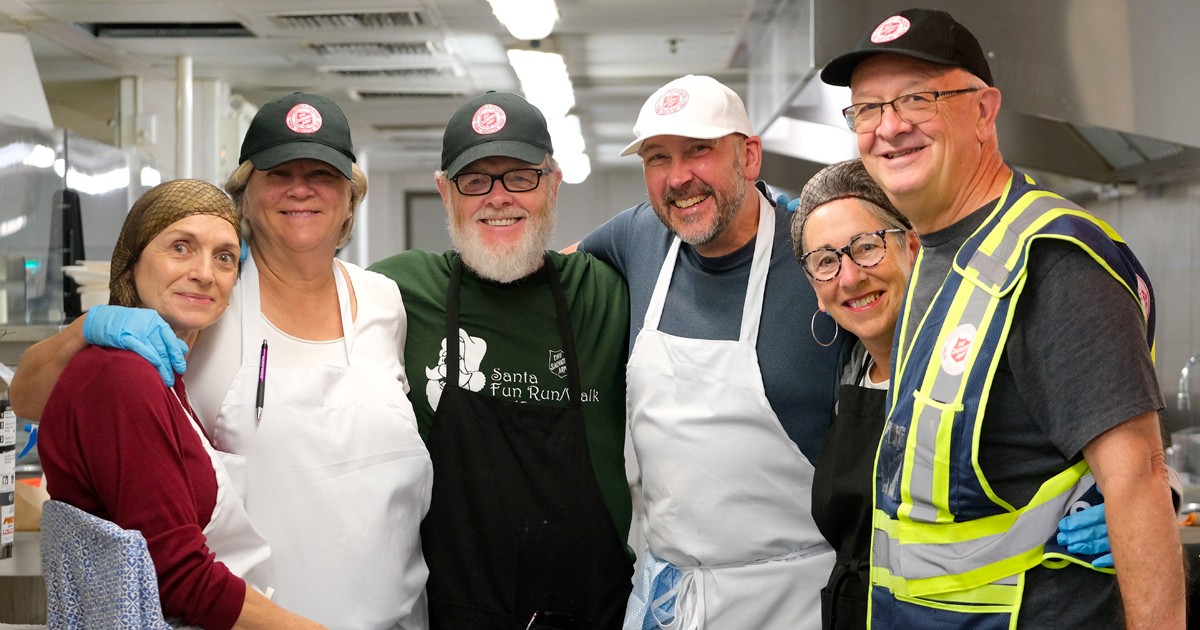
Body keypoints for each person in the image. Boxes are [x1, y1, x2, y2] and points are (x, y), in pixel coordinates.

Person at [13, 93, 433, 629]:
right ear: (246, 196)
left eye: (322, 174)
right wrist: (88, 325)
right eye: (279, 171)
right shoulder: (206, 304)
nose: (300, 188)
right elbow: (32, 398)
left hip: (401, 616)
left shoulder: (384, 302)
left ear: (350, 199)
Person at [821, 8, 1184, 628]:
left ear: (984, 111)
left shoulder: (1052, 261)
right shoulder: (933, 250)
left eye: (916, 98)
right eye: (868, 109)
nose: (889, 126)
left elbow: (1139, 480)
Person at [574, 74, 847, 629]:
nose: (678, 178)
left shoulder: (817, 254)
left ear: (748, 156)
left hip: (791, 600)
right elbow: (549, 276)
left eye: (698, 150)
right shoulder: (635, 237)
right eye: (656, 158)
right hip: (668, 596)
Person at [368, 91, 633, 629]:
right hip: (449, 612)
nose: (499, 198)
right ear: (445, 192)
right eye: (475, 181)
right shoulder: (395, 289)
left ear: (553, 184)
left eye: (520, 176)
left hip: (593, 611)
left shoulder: (607, 292)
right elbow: (288, 292)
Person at [38, 179, 323, 629]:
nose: (205, 273)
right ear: (132, 261)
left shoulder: (163, 375)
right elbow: (178, 577)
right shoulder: (120, 376)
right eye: (180, 247)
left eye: (224, 257)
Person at [790, 159, 918, 630]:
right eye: (825, 261)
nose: (849, 277)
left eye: (866, 247)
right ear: (815, 289)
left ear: (913, 246)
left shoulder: (964, 365)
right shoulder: (846, 373)